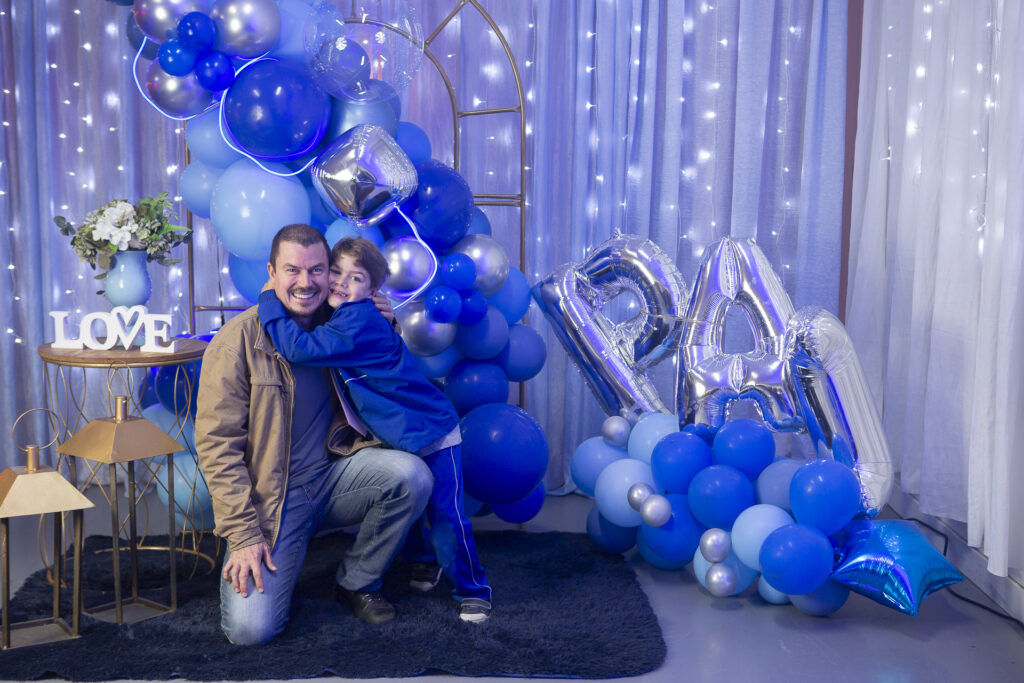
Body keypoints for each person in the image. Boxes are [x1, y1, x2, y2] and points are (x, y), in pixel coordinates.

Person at [196, 224, 433, 646]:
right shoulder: (237, 341)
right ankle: (281, 549)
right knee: (250, 631)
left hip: (334, 478)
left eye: (317, 270)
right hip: (274, 501)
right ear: (272, 272)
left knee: (411, 475)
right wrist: (244, 534)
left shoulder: (344, 320)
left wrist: (386, 321)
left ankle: (356, 580)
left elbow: (387, 371)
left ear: (330, 272)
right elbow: (218, 448)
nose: (305, 282)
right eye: (292, 270)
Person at [256, 236, 492, 623]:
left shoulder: (359, 319)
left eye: (356, 278)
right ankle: (423, 561)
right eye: (336, 272)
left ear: (372, 292)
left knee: (446, 518)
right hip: (398, 435)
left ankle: (473, 591)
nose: (340, 282)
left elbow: (298, 348)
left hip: (432, 432)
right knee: (412, 506)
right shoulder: (346, 314)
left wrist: (267, 299)